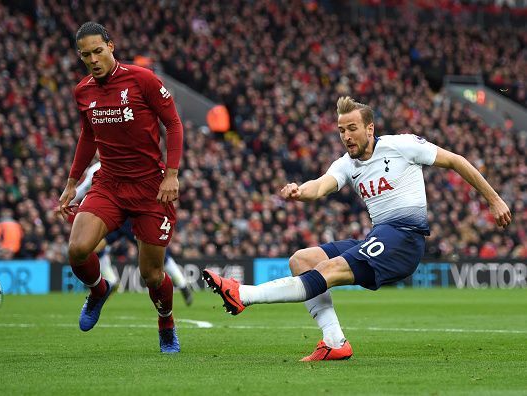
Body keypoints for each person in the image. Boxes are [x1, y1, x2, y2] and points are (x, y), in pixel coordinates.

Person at [203, 96, 512, 361]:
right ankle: (335, 342)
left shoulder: (402, 146)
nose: (347, 136)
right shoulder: (347, 165)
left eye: (352, 129)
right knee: (302, 260)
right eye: (341, 131)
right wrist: (300, 190)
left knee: (333, 268)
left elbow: (456, 160)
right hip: (379, 236)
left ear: (369, 128)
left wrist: (494, 200)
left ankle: (243, 293)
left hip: (405, 238)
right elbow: (322, 185)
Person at [57, 22, 183, 353]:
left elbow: (173, 123)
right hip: (109, 184)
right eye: (86, 54)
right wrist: (72, 183)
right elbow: (87, 136)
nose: (93, 59)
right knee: (77, 249)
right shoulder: (82, 91)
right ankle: (100, 290)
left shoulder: (142, 79)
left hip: (150, 187)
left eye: (98, 51)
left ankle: (166, 323)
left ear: (111, 46)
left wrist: (172, 173)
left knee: (151, 276)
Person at [70, 161, 193, 305]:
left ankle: (182, 284)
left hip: (133, 218)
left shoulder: (136, 161)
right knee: (93, 247)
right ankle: (111, 281)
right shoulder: (97, 168)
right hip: (113, 215)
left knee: (155, 256)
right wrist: (68, 198)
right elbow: (84, 188)